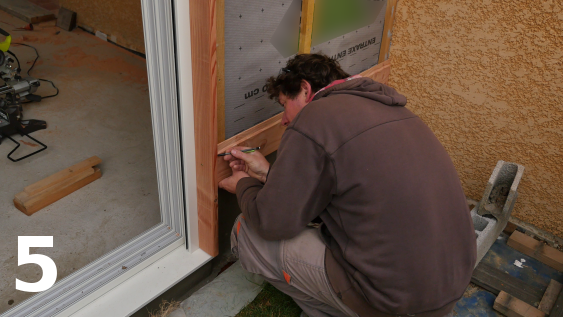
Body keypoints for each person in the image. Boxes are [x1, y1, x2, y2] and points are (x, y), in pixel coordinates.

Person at [219, 54, 476, 317]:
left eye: (284, 105)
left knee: (246, 232)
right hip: (448, 287)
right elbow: (341, 183)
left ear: (306, 90)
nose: (284, 120)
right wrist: (269, 174)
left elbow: (272, 222)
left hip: (394, 301)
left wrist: (244, 184)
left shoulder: (315, 117)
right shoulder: (392, 110)